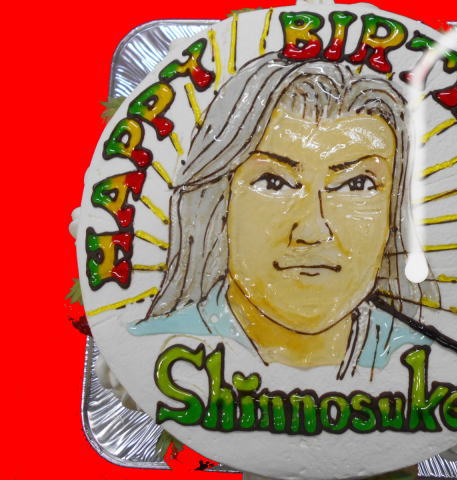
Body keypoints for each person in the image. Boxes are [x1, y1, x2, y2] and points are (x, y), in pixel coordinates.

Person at [130, 54, 439, 378]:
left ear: (394, 215)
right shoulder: (148, 351)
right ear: (219, 203)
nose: (312, 230)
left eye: (357, 184)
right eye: (273, 182)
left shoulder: (432, 362)